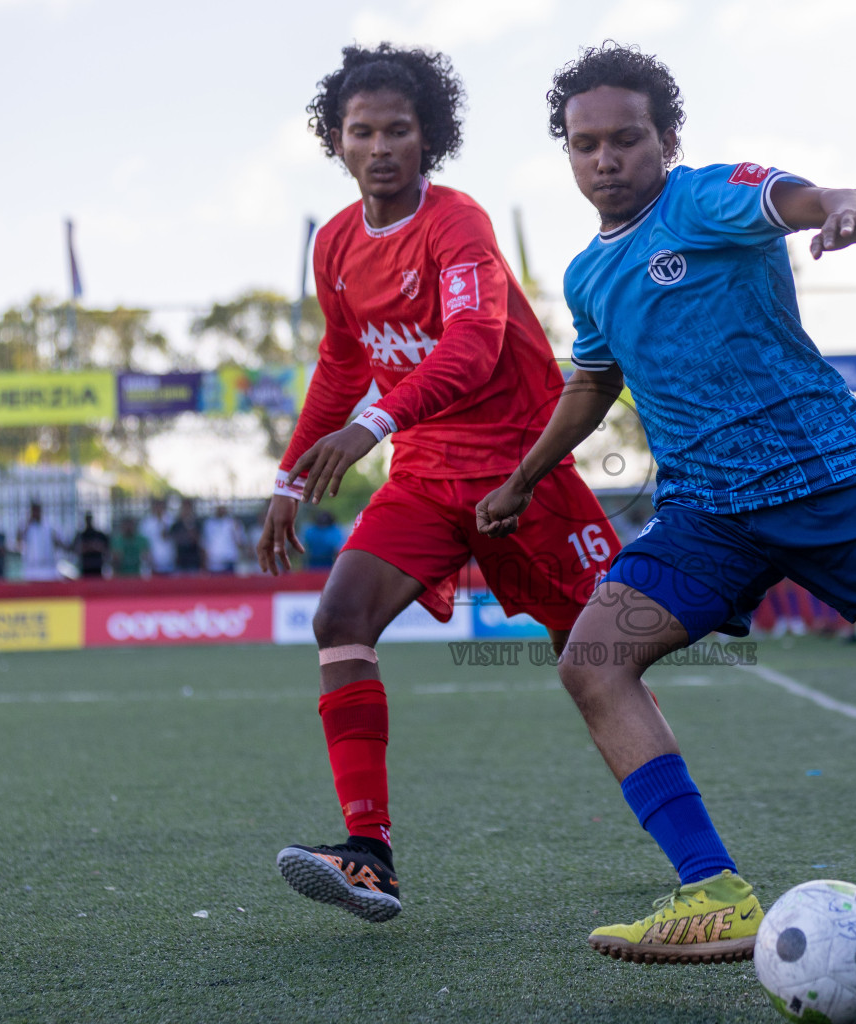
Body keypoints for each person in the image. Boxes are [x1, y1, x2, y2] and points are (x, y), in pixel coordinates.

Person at [477, 43, 856, 965]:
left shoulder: (703, 197)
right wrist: (525, 476)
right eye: (585, 145)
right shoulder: (585, 274)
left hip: (838, 486)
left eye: (626, 139)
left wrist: (844, 201)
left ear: (666, 139)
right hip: (710, 512)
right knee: (593, 662)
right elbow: (593, 378)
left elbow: (793, 197)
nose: (605, 159)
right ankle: (714, 888)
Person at [257, 42, 619, 924]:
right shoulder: (336, 245)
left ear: (429, 139)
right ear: (336, 143)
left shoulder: (457, 223)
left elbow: (473, 344)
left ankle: (702, 858)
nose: (380, 146)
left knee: (609, 659)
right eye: (361, 131)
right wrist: (288, 479)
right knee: (340, 618)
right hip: (424, 476)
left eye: (398, 130)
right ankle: (369, 853)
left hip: (516, 472)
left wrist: (374, 425)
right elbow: (343, 362)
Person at [18, 502, 62, 582]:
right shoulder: (27, 527)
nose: (36, 513)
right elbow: (19, 539)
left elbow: (58, 542)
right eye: (33, 511)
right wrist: (28, 522)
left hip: (48, 568)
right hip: (32, 569)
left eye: (37, 511)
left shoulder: (49, 526)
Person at [202, 504, 246, 574]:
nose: (221, 509)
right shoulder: (208, 524)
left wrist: (235, 532)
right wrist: (204, 564)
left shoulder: (234, 523)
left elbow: (241, 544)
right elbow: (204, 545)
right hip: (213, 564)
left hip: (229, 564)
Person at [139, 496, 176, 575]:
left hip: (170, 564)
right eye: (157, 505)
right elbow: (143, 544)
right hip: (152, 565)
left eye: (161, 506)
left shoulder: (171, 520)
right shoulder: (146, 523)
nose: (159, 508)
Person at [167, 498, 204, 573]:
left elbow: (199, 540)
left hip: (194, 561)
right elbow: (172, 539)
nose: (186, 510)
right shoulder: (176, 524)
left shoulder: (197, 523)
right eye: (185, 507)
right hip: (180, 561)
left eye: (188, 507)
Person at [74, 512, 110, 580]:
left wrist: (92, 547)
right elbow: (77, 549)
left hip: (98, 567)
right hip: (84, 567)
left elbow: (105, 549)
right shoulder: (81, 536)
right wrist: (92, 546)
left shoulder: (100, 535)